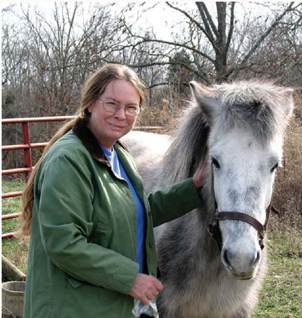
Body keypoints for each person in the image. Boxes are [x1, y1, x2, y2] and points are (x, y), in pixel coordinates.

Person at [20, 63, 205, 318]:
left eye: (131, 108)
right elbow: (65, 244)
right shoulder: (69, 160)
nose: (121, 114)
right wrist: (131, 279)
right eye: (112, 104)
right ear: (90, 104)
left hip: (108, 304)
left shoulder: (118, 152)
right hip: (72, 308)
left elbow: (134, 212)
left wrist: (193, 187)